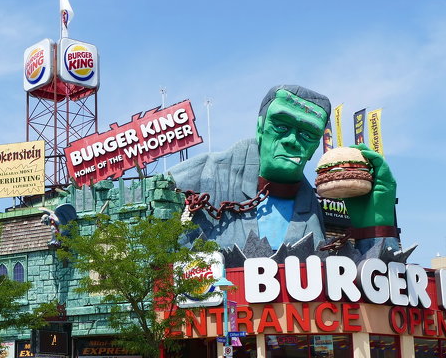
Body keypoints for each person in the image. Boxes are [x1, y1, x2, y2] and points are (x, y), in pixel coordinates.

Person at [170, 84, 399, 256]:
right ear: (260, 129)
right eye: (281, 126)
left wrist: (376, 226)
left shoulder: (311, 210)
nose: (291, 140)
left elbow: (372, 300)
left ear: (313, 149)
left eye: (307, 134)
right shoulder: (201, 175)